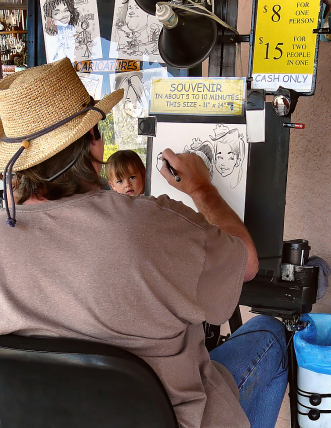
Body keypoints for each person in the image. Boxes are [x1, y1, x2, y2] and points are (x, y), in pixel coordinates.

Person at [0, 58, 287, 428]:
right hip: (171, 419)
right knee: (270, 333)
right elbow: (246, 262)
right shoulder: (150, 224)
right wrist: (201, 188)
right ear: (94, 142)